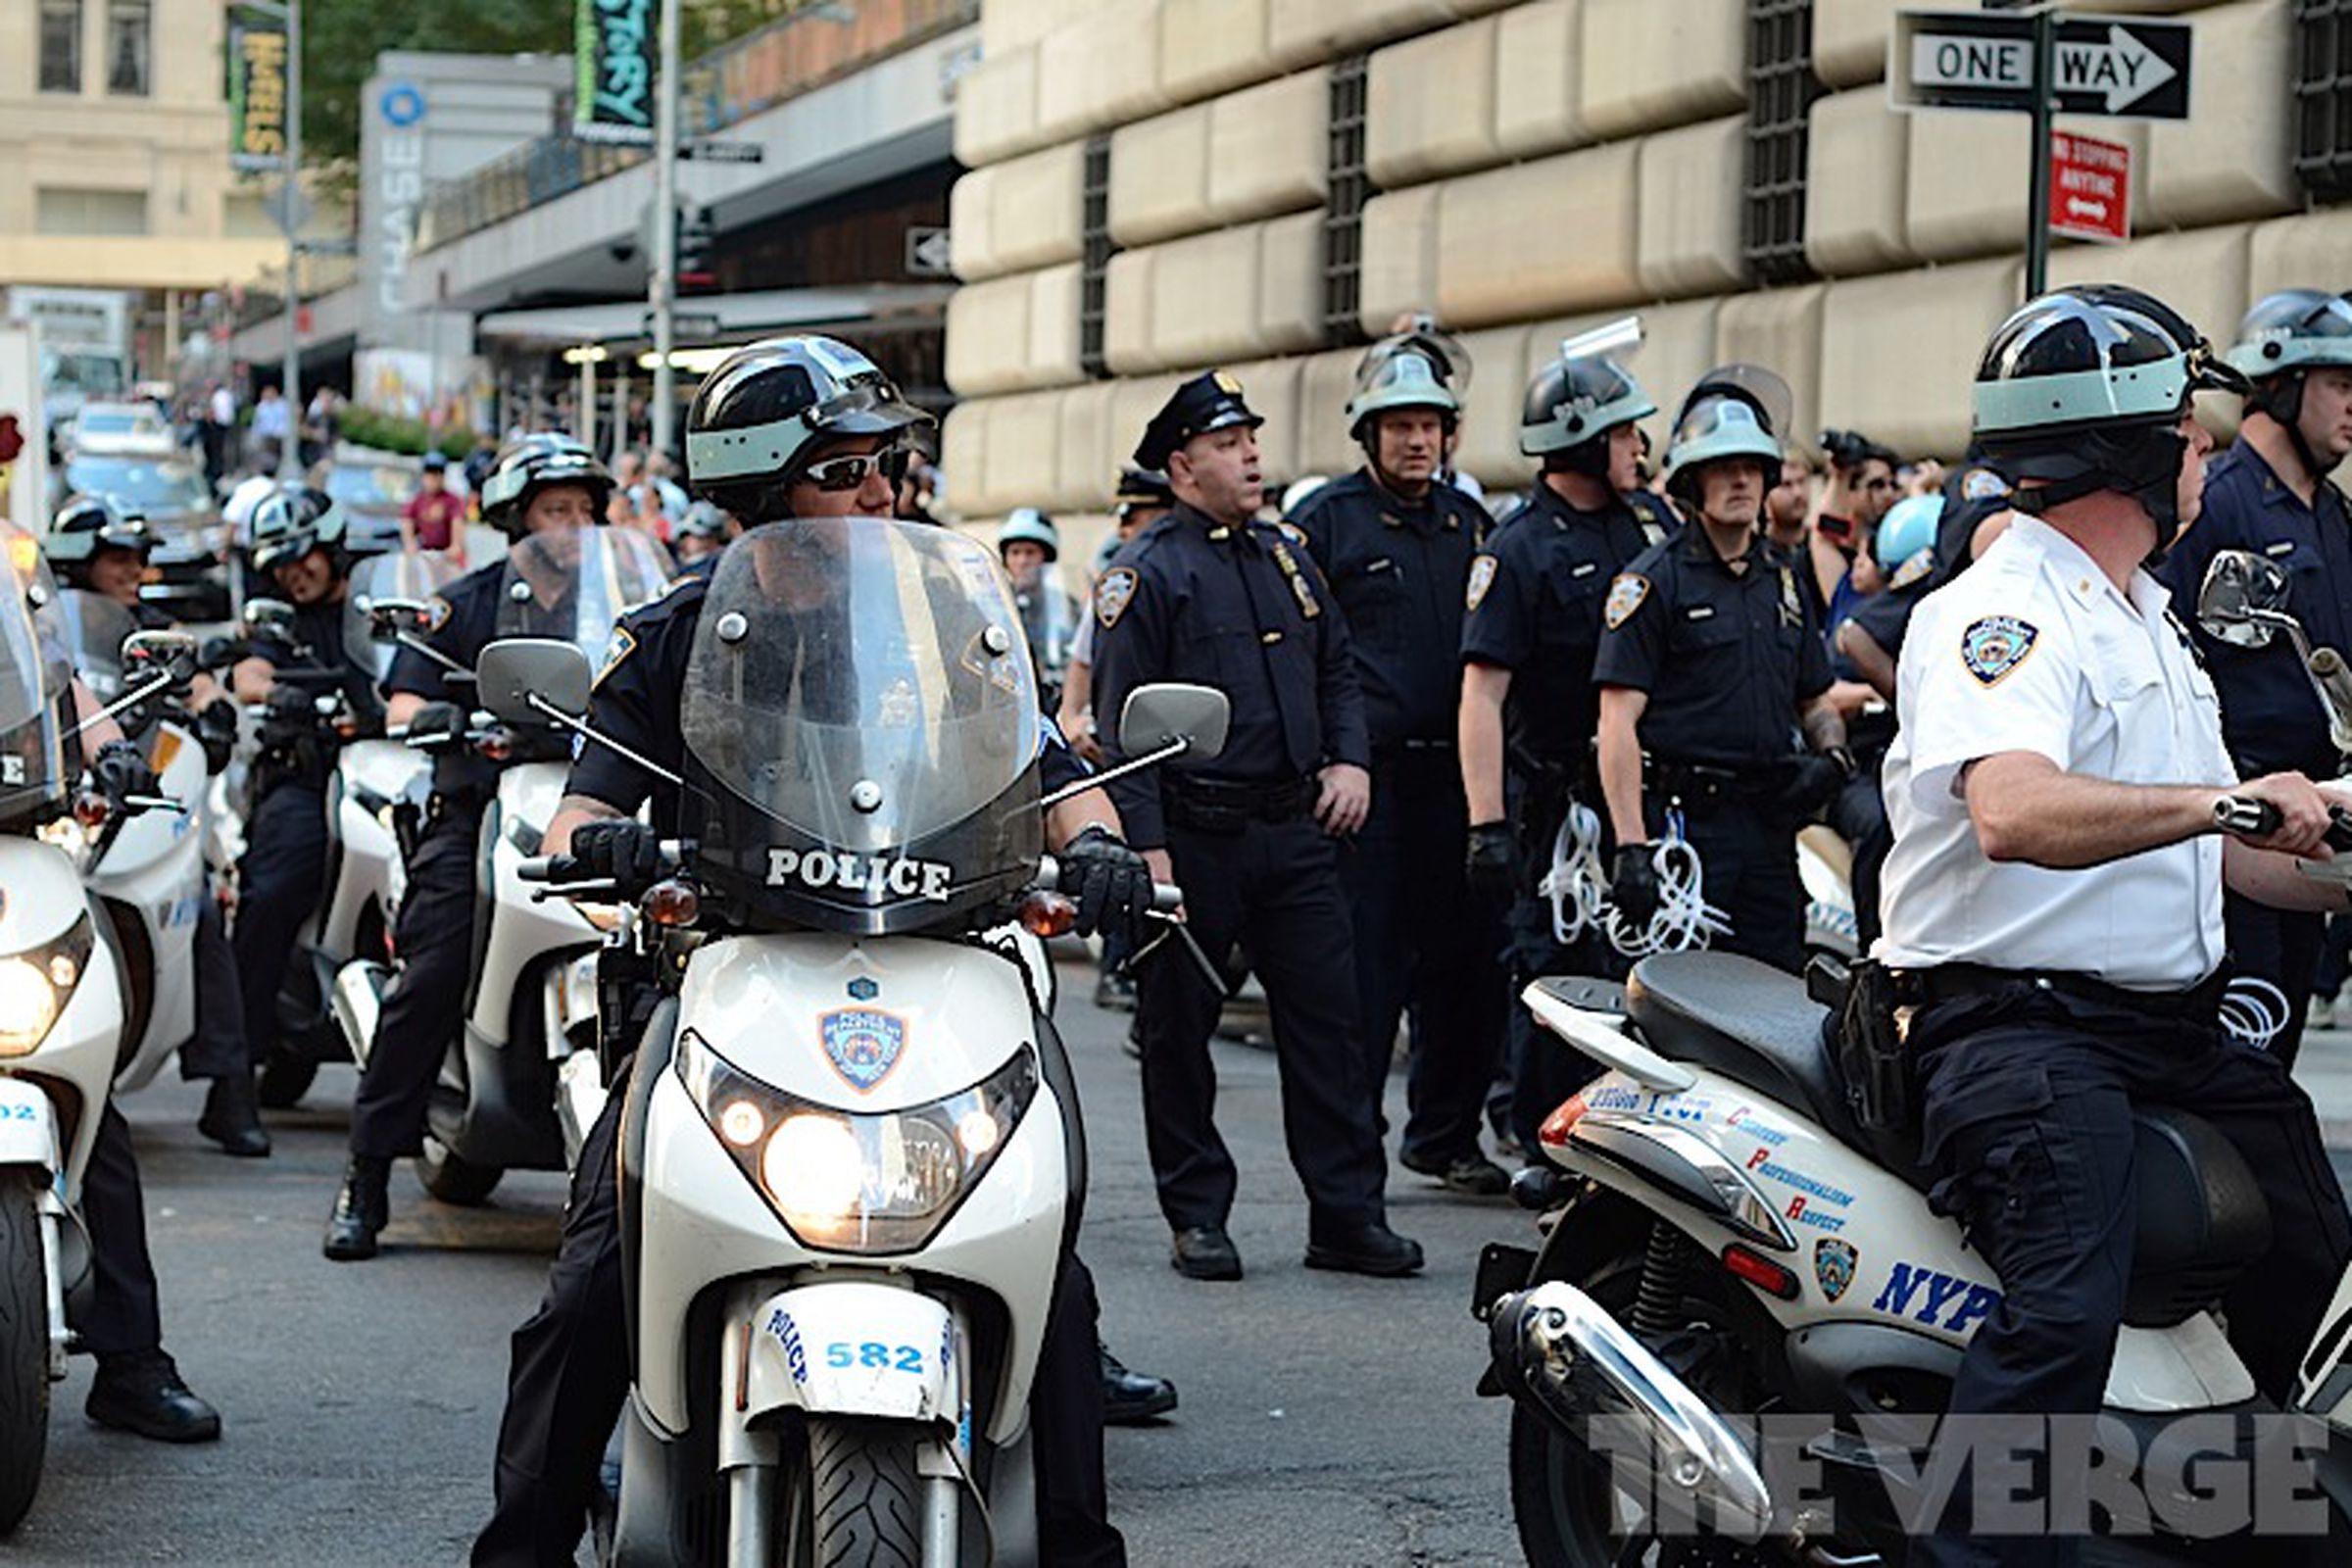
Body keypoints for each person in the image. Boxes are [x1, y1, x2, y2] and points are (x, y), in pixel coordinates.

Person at [471, 335, 1166, 1567]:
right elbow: (580, 810)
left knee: (1053, 1272)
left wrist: (1106, 846)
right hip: (737, 964)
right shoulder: (680, 630)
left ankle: (1077, 1549)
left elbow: (1060, 778)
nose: (884, 495)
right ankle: (517, 1549)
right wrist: (613, 843)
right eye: (849, 472)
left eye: (888, 467)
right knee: (591, 1278)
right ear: (761, 489)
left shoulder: (950, 627)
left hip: (946, 961)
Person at [1870, 282, 2352, 1565]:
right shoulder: (2004, 613)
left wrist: (2321, 847)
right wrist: (2231, 802)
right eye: (2186, 434)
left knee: (2313, 1258)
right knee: (2065, 1309)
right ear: (2125, 451)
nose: (2204, 453)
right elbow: (2016, 813)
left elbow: (2234, 861)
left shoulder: (2148, 617)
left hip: (2160, 1029)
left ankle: (2244, 1518)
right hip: (2015, 1031)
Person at [1092, 368, 1418, 1281]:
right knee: (1176, 1030)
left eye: (1252, 442)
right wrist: (1148, 850)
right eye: (1230, 446)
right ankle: (1198, 1214)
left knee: (1332, 1028)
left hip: (1292, 832)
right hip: (1193, 838)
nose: (1251, 458)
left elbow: (1337, 670)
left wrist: (1349, 760)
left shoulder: (1286, 557)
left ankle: (1347, 1216)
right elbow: (1124, 723)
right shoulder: (1147, 574)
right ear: (1182, 465)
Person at [320, 437, 615, 1260]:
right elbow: (405, 697)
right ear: (517, 519)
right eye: (559, 509)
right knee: (436, 967)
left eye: (587, 509)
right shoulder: (470, 603)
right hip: (480, 805)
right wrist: (439, 719)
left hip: (592, 807)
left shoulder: (617, 607)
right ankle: (367, 1173)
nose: (575, 524)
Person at [2, 536, 220, 1442]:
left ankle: (130, 1362)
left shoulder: (8, 570)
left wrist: (107, 749)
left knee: (74, 1093)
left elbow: (56, 680)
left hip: (11, 844)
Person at [1293, 332, 1509, 1196]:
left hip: (1456, 784)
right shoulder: (1326, 524)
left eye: (1431, 425)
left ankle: (1447, 1136)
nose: (1418, 441)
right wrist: (1323, 764)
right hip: (1367, 786)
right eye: (1400, 426)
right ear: (1368, 434)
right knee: (1365, 981)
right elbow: (1299, 656)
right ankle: (1353, 1170)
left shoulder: (1471, 526)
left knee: (1466, 968)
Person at [1458, 341, 1670, 1159]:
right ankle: (1544, 1149)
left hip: (1640, 802)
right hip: (1555, 810)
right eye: (1625, 436)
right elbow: (1483, 694)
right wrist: (1487, 822)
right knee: (1556, 980)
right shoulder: (1516, 549)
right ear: (1582, 440)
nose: (1640, 450)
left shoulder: (1649, 526)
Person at [1593, 367, 1849, 975]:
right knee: (1677, 1008)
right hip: (1684, 830)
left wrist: (1832, 759)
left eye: (1753, 467)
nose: (1740, 479)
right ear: (1692, 481)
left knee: (1776, 994)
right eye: (1722, 467)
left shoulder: (1782, 581)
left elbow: (1815, 699)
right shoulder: (1652, 581)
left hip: (1768, 824)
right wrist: (1631, 845)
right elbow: (1617, 721)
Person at [2158, 289, 2352, 1068]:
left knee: (2283, 1056)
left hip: (2321, 825)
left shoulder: (2334, 514)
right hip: (2237, 831)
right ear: (2279, 384)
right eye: (2340, 385)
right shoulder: (2218, 501)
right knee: (2241, 1058)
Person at [42, 498, 264, 1155]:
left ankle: (231, 1090)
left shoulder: (155, 630)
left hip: (133, 795)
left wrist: (217, 710)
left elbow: (200, 686)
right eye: (118, 558)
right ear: (78, 562)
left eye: (139, 557)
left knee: (196, 908)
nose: (134, 570)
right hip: (46, 797)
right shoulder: (39, 627)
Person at [227, 486, 374, 1130]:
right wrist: (278, 692)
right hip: (307, 780)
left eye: (304, 556)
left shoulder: (376, 606)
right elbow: (248, 674)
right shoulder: (276, 619)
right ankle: (234, 1075)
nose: (295, 572)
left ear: (333, 547)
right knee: (273, 891)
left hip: (389, 775)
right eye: (281, 564)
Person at [402, 452, 466, 555]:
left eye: (437, 473)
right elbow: (407, 522)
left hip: (446, 554)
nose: (433, 478)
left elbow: (457, 523)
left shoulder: (453, 501)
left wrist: (456, 545)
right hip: (425, 553)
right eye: (429, 473)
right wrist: (410, 544)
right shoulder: (417, 500)